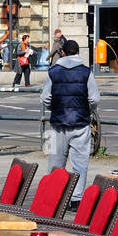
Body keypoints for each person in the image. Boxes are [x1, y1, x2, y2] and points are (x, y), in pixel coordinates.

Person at [40, 40, 100, 202]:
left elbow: (45, 98)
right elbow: (94, 99)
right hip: (80, 123)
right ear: (78, 52)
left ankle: (54, 198)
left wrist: (54, 107)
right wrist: (87, 108)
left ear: (63, 53)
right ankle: (76, 199)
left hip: (58, 123)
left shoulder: (53, 71)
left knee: (55, 163)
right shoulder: (86, 72)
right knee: (80, 164)